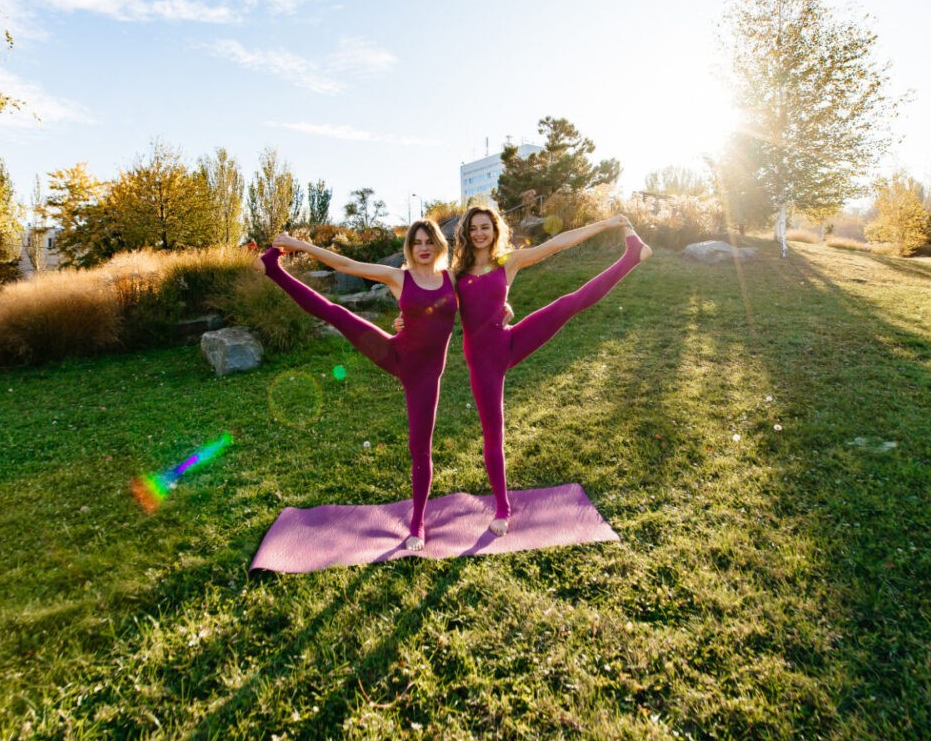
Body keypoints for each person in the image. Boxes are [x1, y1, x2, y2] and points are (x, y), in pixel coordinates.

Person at [255, 220, 457, 551]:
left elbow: (485, 290)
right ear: (409, 247)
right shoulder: (399, 277)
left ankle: (417, 524)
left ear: (438, 245)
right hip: (395, 354)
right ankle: (272, 269)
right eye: (417, 242)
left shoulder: (453, 279)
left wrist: (503, 307)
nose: (423, 247)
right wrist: (301, 245)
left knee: (420, 448)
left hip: (426, 377)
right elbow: (347, 265)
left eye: (429, 241)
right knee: (335, 313)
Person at [450, 205, 649, 536]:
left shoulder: (507, 262)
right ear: (466, 233)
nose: (479, 233)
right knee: (492, 433)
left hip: (509, 341)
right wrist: (403, 320)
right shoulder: (457, 275)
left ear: (494, 230)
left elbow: (557, 243)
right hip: (482, 360)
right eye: (473, 228)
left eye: (485, 227)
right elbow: (430, 304)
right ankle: (502, 507)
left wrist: (606, 223)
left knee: (567, 304)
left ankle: (631, 256)